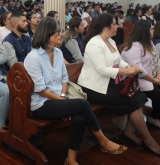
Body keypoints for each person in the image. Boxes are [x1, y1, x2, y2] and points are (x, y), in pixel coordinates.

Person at [25, 17, 127, 165]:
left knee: (80, 118)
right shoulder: (33, 58)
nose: (61, 34)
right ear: (47, 35)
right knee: (83, 104)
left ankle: (70, 159)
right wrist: (62, 102)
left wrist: (63, 99)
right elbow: (40, 90)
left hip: (59, 99)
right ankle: (103, 140)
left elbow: (64, 79)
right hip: (42, 104)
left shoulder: (58, 53)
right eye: (58, 32)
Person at [77, 14, 160, 157]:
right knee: (133, 100)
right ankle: (148, 140)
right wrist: (126, 71)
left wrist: (130, 67)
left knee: (140, 96)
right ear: (106, 27)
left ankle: (129, 132)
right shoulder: (94, 44)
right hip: (94, 87)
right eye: (114, 24)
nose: (118, 26)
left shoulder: (110, 41)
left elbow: (119, 62)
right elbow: (102, 70)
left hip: (109, 83)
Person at [121, 20, 160, 129]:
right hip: (136, 79)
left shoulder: (149, 42)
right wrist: (153, 80)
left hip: (151, 76)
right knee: (159, 94)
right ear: (144, 31)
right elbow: (139, 69)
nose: (153, 31)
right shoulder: (133, 46)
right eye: (151, 29)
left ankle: (155, 116)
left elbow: (157, 60)